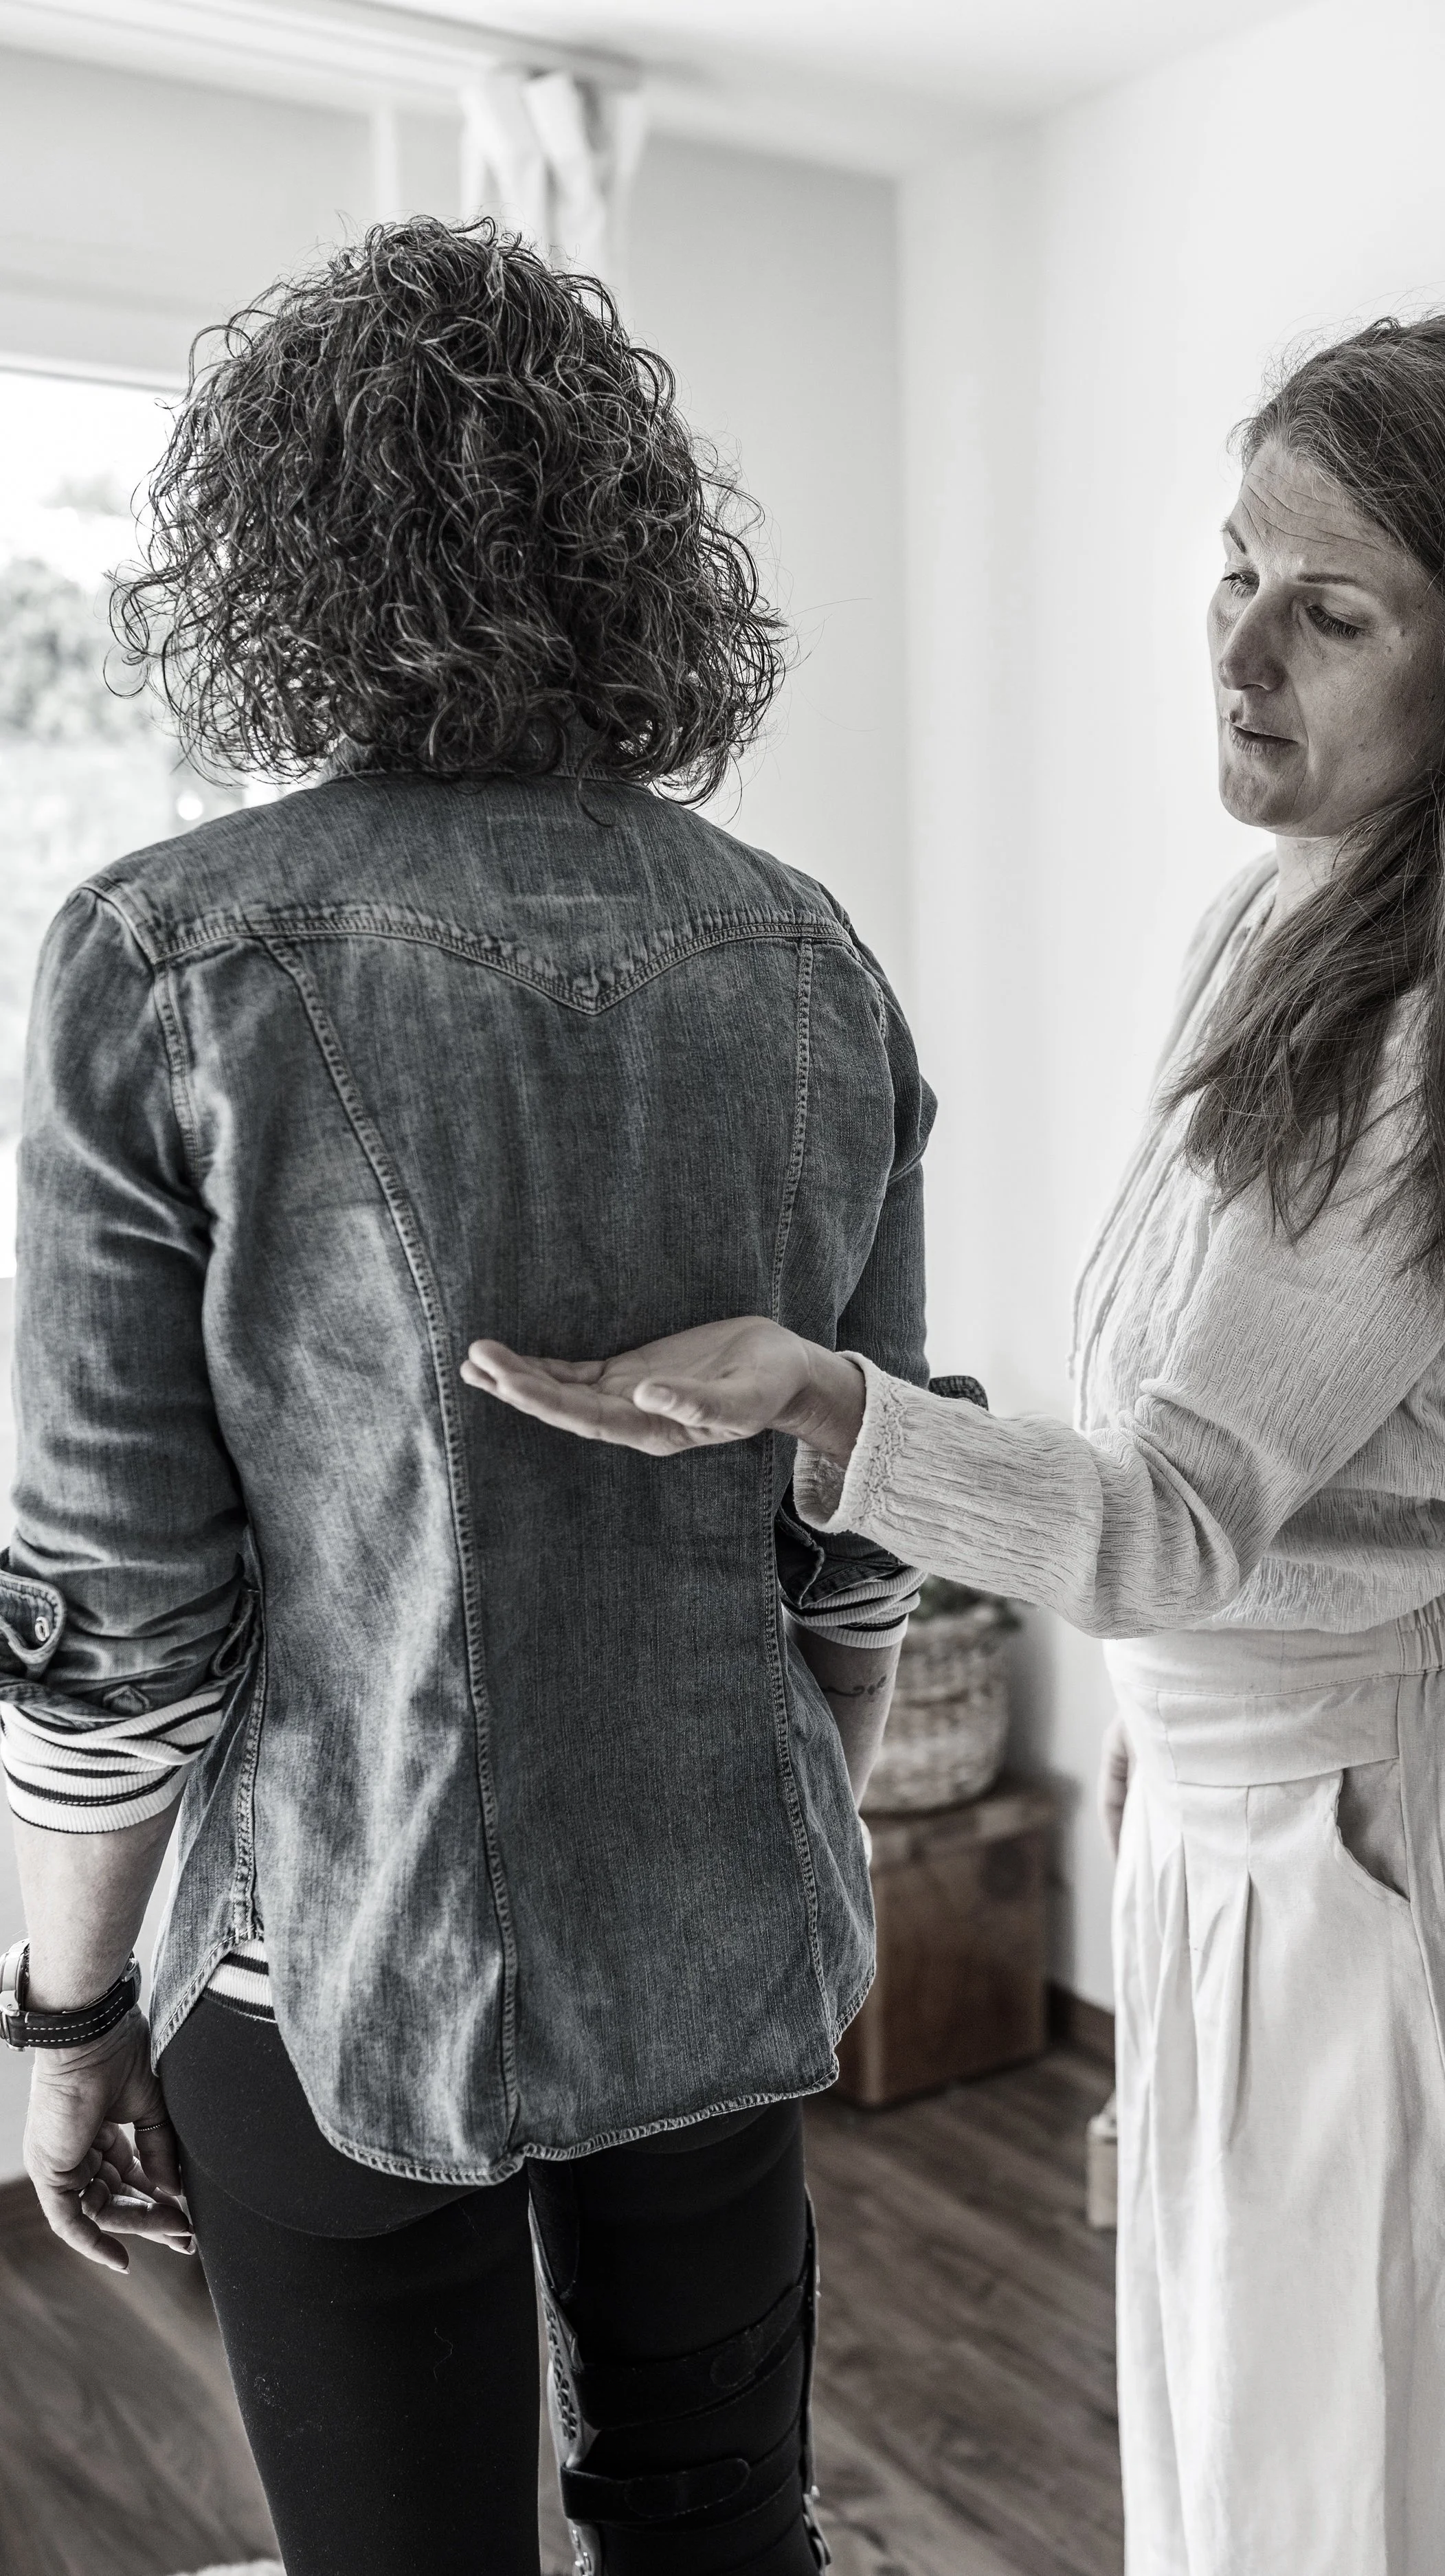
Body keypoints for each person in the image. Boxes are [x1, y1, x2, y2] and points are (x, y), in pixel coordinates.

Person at [464, 313, 1445, 2576]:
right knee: (1280, 2424)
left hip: (1394, 1818)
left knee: (1403, 2456)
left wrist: (822, 1398)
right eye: (1232, 573)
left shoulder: (1436, 1017)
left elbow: (1168, 1514)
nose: (1240, 649)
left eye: (1329, 611)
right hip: (1284, 1780)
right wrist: (1150, 1739)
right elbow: (1199, 1481)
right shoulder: (1281, 928)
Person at [0, 217, 937, 2576]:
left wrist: (62, 2002)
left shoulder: (159, 954)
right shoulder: (802, 950)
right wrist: (762, 1836)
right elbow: (862, 1504)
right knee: (723, 2528)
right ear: (635, 551)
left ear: (279, 555)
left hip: (319, 1950)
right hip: (718, 1921)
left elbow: (115, 1604)